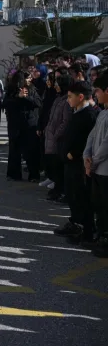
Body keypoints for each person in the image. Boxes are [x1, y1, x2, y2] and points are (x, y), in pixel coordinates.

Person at [55, 81, 99, 243]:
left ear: (81, 97)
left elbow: (89, 140)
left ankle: (85, 230)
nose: (68, 100)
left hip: (79, 165)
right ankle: (77, 224)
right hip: (70, 164)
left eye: (70, 97)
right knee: (73, 195)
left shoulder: (89, 115)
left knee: (82, 198)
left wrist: (73, 153)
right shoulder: (77, 112)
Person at [3, 72, 42, 181]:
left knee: (30, 151)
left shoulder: (32, 89)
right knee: (14, 150)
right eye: (28, 78)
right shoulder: (11, 90)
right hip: (15, 124)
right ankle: (13, 174)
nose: (30, 80)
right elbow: (5, 104)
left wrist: (26, 97)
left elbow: (38, 103)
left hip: (29, 124)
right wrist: (18, 97)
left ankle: (34, 174)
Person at [85, 75, 108, 257]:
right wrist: (87, 156)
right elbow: (92, 137)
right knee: (98, 205)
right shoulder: (102, 113)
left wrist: (94, 161)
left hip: (104, 169)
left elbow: (106, 144)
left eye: (98, 91)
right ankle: (100, 236)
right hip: (96, 168)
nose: (96, 95)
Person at [43, 75, 73, 200]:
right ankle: (56, 188)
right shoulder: (57, 98)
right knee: (53, 165)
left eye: (57, 83)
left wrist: (56, 134)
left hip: (58, 138)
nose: (55, 86)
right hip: (50, 136)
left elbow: (65, 121)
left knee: (58, 166)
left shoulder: (67, 100)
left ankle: (60, 190)